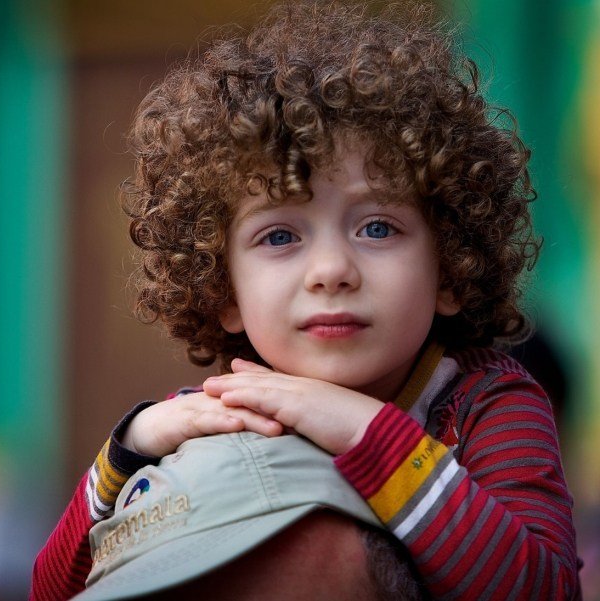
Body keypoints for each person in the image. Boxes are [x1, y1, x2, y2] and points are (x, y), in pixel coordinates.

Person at [30, 1, 582, 599]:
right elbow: (51, 590)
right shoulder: (215, 414)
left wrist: (364, 429)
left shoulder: (486, 405)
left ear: (448, 266)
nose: (331, 271)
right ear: (225, 290)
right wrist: (127, 451)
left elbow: (542, 588)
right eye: (280, 236)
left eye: (377, 228)